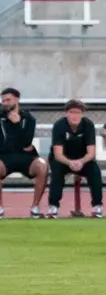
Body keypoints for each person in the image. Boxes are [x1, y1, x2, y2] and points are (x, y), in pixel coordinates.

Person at [47, 100, 103, 219]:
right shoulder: (59, 126)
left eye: (78, 112)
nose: (74, 115)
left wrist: (81, 161)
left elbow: (91, 153)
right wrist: (70, 162)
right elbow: (58, 154)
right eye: (72, 112)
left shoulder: (88, 125)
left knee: (95, 170)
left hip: (83, 160)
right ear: (66, 113)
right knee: (56, 171)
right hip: (63, 160)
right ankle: (53, 206)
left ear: (82, 114)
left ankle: (97, 206)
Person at [0, 88, 46, 218]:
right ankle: (0, 209)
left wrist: (18, 123)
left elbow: (26, 143)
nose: (5, 103)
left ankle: (35, 207)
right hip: (4, 156)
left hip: (26, 157)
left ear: (17, 99)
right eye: (3, 100)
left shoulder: (28, 118)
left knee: (42, 166)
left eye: (8, 100)